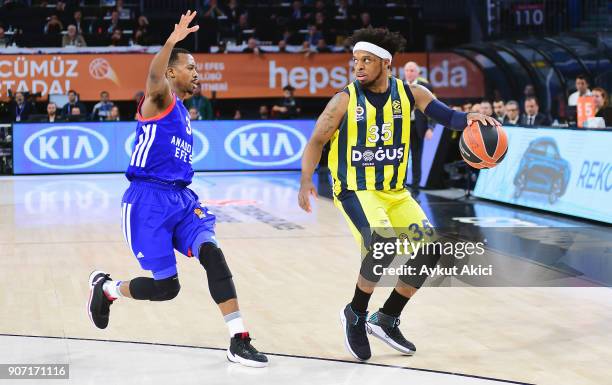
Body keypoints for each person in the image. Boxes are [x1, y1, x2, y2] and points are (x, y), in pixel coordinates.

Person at [298, 27, 498, 362]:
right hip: (356, 189)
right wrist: (306, 180)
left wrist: (470, 119)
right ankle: (356, 314)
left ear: (385, 63)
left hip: (394, 191)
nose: (358, 66)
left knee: (432, 249)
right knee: (383, 245)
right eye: (355, 61)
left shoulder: (411, 93)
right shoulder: (345, 99)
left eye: (366, 60)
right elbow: (317, 139)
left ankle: (388, 317)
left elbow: (448, 117)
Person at [86, 10, 268, 367]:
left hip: (182, 199)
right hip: (146, 201)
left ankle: (238, 338)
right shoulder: (160, 99)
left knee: (212, 255)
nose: (197, 73)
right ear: (171, 73)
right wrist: (172, 41)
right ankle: (107, 289)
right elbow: (153, 75)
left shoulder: (185, 112)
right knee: (167, 289)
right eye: (191, 67)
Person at [403, 61, 433, 193]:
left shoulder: (425, 86)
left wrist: (431, 127)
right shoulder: (400, 86)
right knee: (401, 156)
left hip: (418, 126)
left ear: (417, 73)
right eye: (407, 70)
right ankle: (400, 186)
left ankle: (415, 189)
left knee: (416, 157)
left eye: (412, 70)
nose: (409, 73)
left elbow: (433, 107)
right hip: (403, 125)